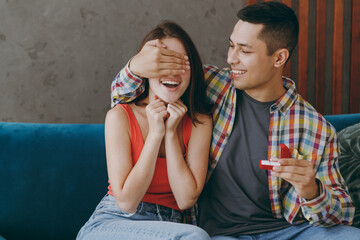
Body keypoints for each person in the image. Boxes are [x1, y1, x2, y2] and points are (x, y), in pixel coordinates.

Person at [109, 1, 360, 239]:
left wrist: (312, 190)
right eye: (232, 45)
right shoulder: (209, 84)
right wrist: (134, 67)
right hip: (220, 233)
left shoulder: (313, 127)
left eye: (245, 50)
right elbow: (123, 97)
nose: (231, 58)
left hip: (286, 231)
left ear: (279, 58)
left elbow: (343, 212)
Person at [76, 21, 213, 240]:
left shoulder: (199, 122)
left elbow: (185, 199)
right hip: (113, 223)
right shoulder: (120, 116)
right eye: (163, 63)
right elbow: (127, 202)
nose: (172, 72)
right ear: (146, 69)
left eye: (180, 63)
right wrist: (155, 133)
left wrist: (170, 134)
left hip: (170, 227)